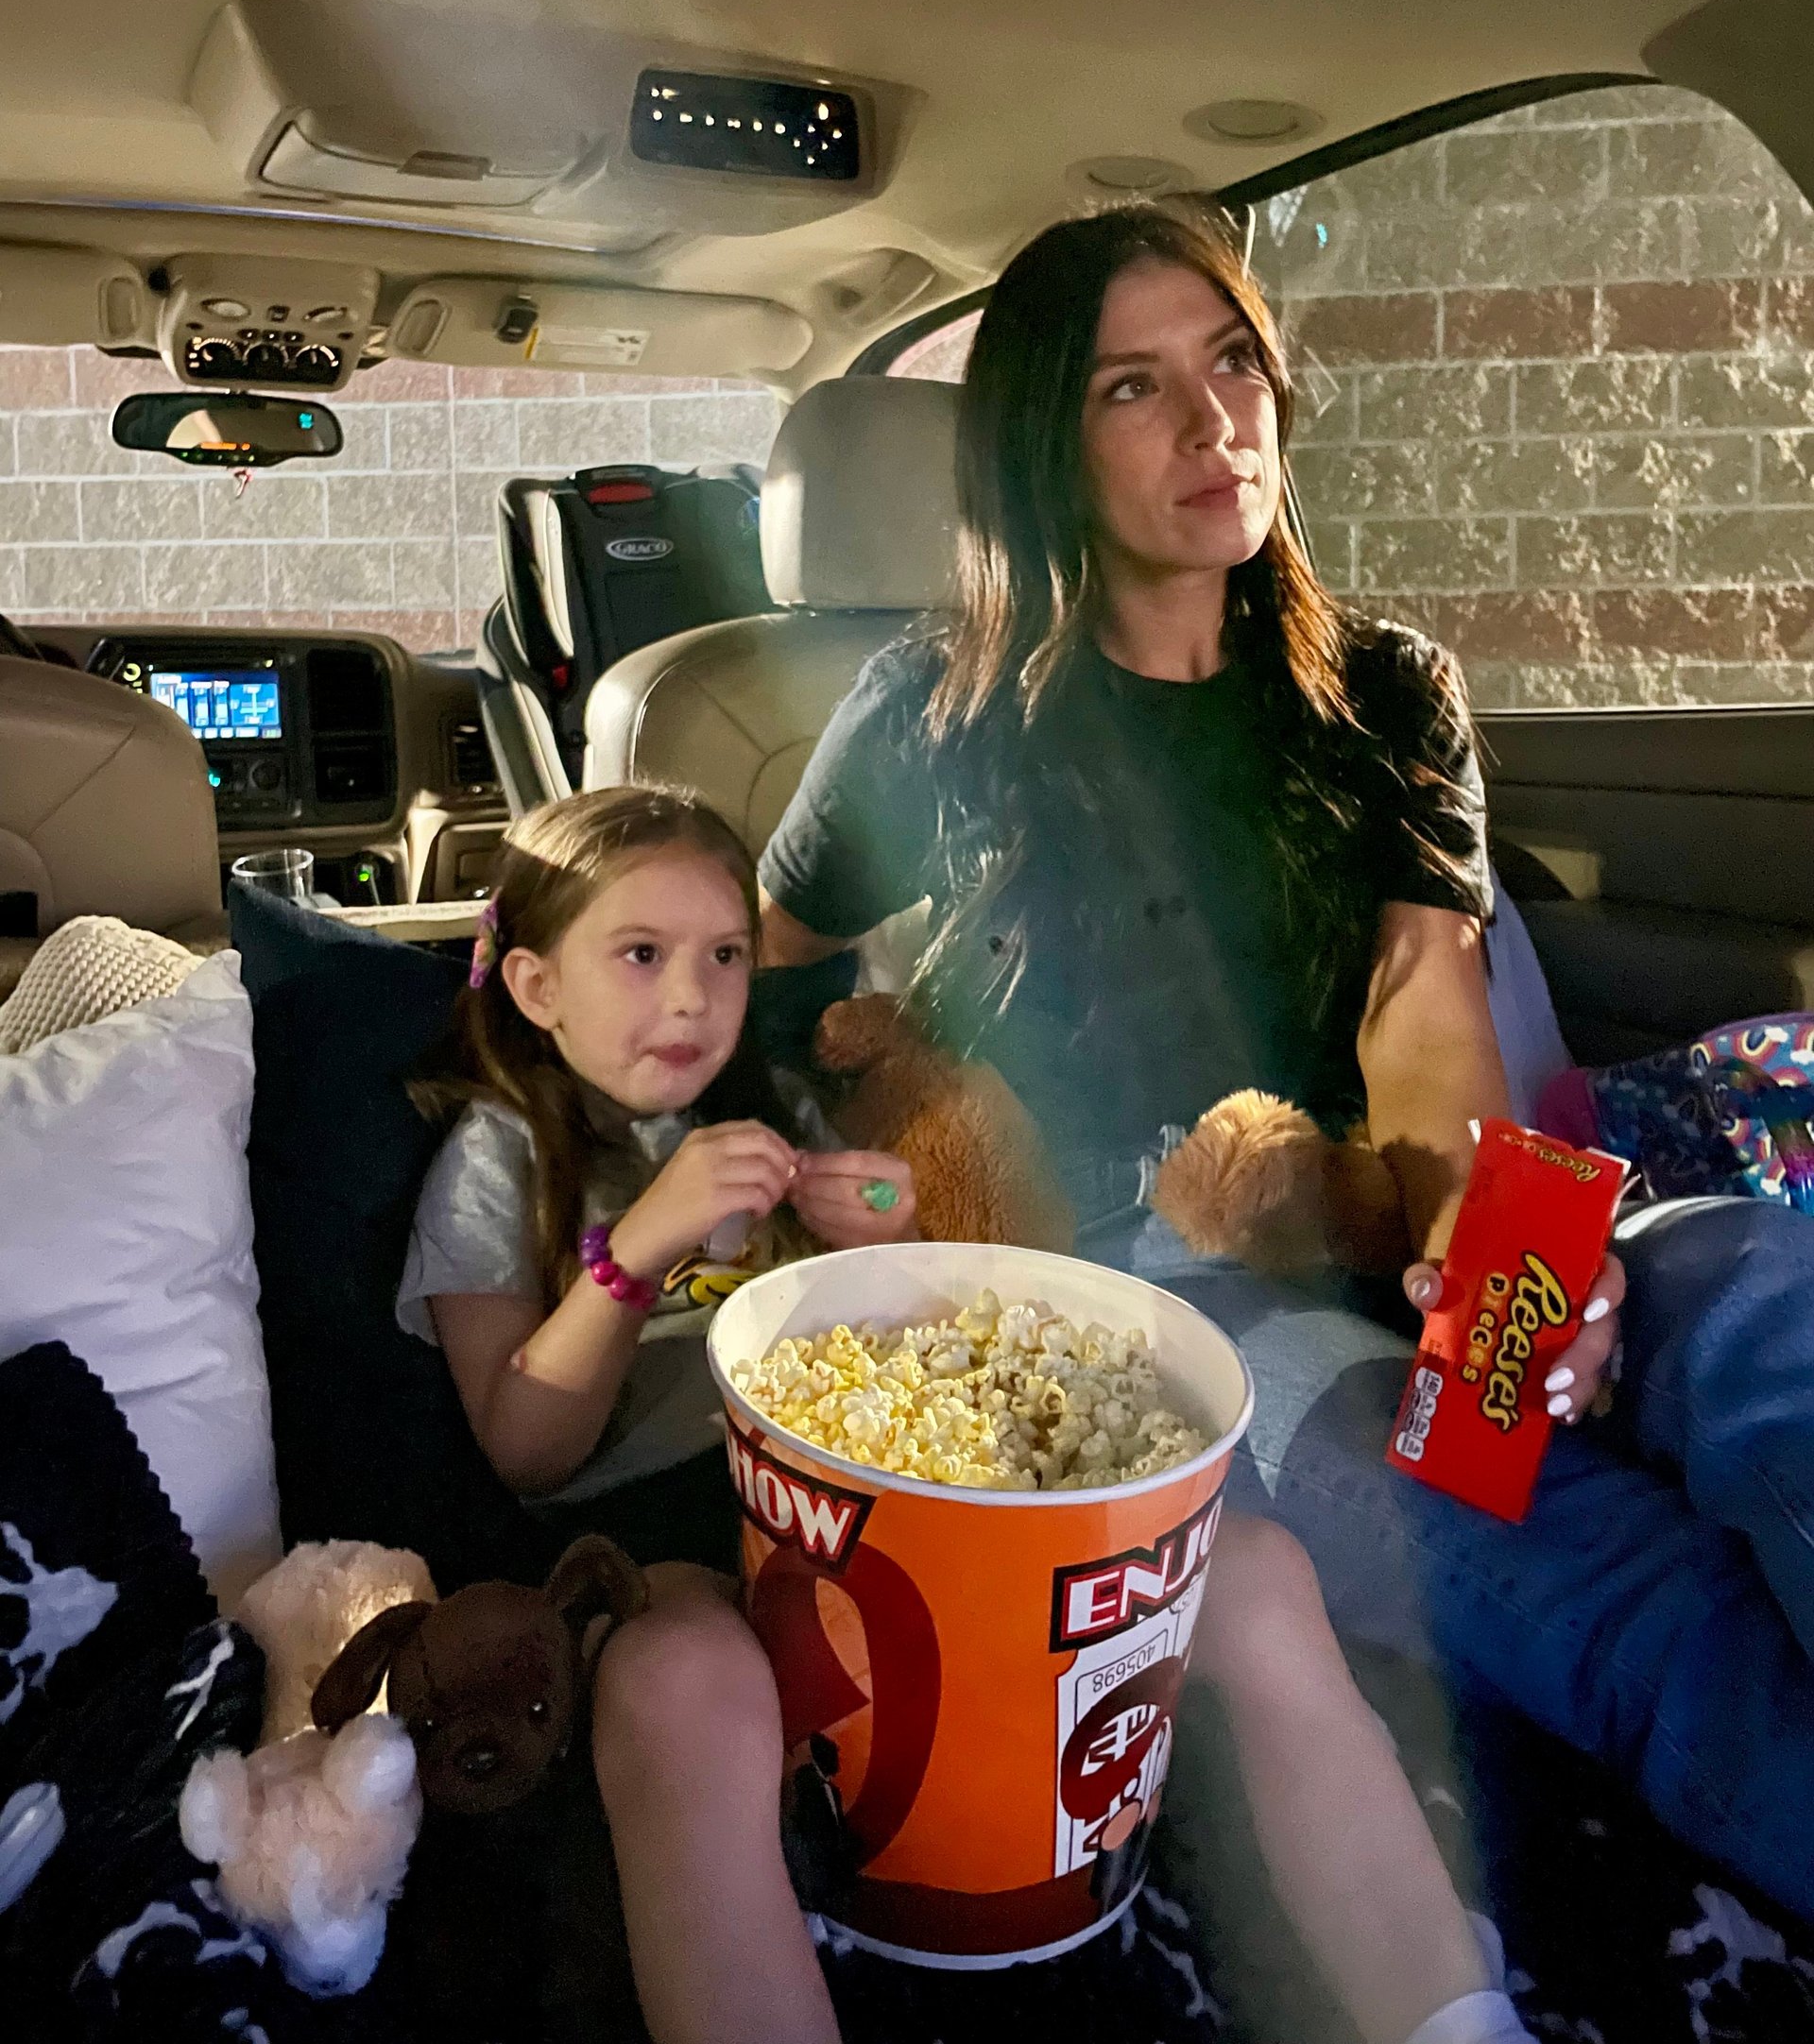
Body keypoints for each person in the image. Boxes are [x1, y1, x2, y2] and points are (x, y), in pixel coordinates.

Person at [757, 201, 1814, 1922]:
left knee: (1778, 1302)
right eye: (1132, 388)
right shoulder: (929, 713)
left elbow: (1426, 1011)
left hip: (1406, 1200)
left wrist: (1521, 1264)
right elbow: (774, 972)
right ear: (1043, 440)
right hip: (1171, 1287)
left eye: (1232, 359)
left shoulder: (1388, 686)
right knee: (1606, 1587)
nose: (1213, 419)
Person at [403, 785, 1537, 2044]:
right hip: (677, 1541)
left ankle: (1456, 2013)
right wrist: (636, 1252)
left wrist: (883, 1222)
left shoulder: (762, 1110)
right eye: (641, 955)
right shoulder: (496, 1158)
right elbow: (523, 1447)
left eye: (726, 955)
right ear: (535, 982)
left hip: (916, 1511)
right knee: (680, 1682)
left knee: (1258, 1570)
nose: (692, 995)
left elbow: (920, 1289)